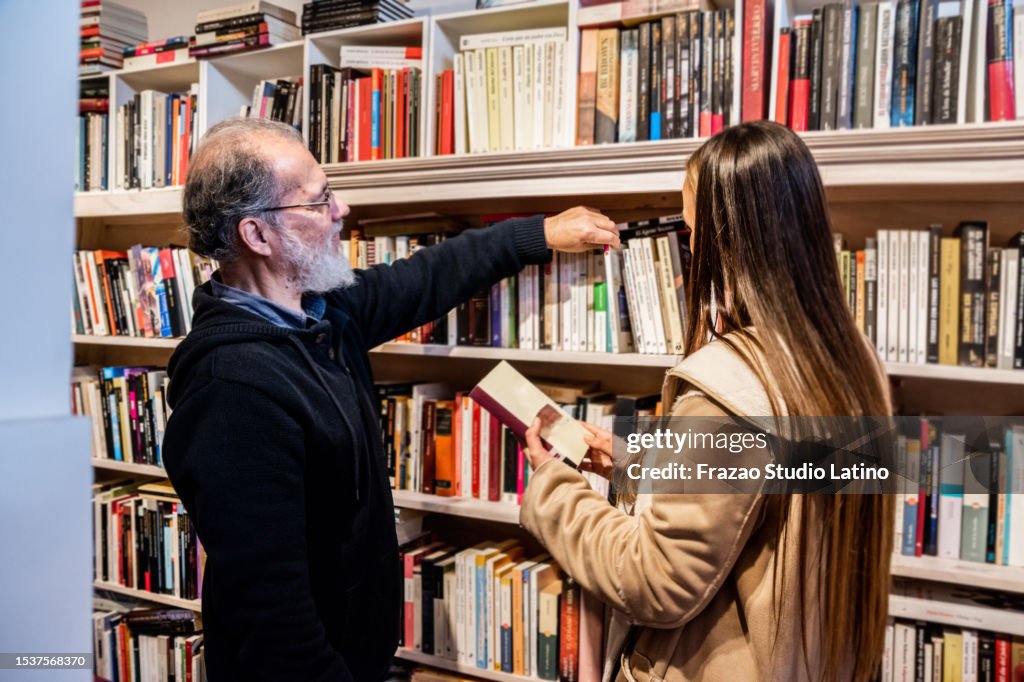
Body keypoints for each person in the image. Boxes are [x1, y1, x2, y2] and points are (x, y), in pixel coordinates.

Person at [161, 117, 620, 681]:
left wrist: (536, 235)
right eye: (319, 199)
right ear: (257, 236)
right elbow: (273, 614)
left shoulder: (321, 312)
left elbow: (422, 278)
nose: (341, 210)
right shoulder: (230, 390)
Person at [520, 121, 894, 682]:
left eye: (693, 234)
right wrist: (638, 464)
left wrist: (555, 486)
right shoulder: (850, 359)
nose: (691, 251)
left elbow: (655, 580)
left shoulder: (730, 380)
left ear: (731, 239)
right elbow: (768, 499)